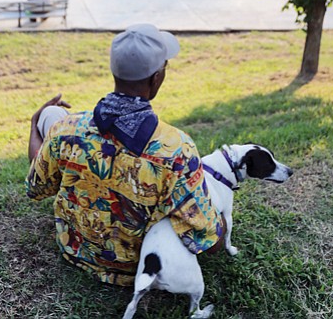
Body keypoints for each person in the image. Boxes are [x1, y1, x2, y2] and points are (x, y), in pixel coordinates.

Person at [26, 24, 225, 287]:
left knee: (52, 116)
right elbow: (210, 243)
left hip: (74, 252)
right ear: (156, 78)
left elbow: (36, 187)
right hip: (140, 270)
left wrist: (34, 125)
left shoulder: (66, 129)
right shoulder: (177, 149)